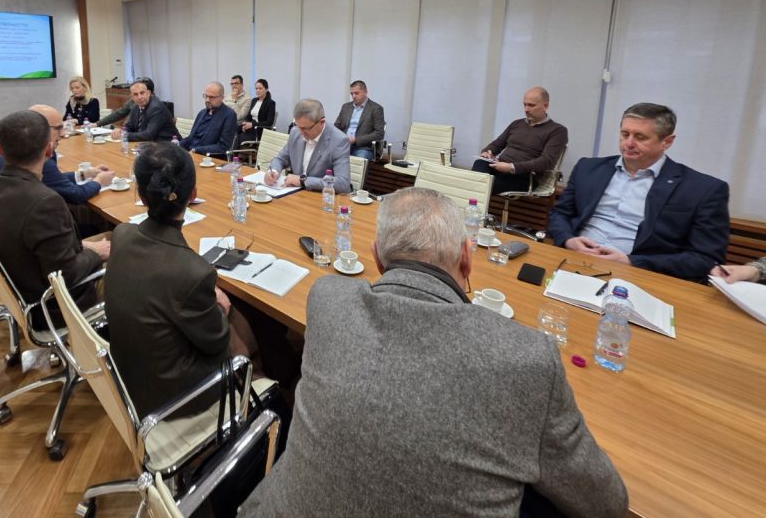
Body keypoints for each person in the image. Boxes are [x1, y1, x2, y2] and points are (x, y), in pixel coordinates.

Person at [240, 187, 628, 518]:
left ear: (377, 257)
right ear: (467, 258)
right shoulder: (528, 356)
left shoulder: (328, 298)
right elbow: (607, 504)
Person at [103, 142, 259, 419]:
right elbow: (216, 344)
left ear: (141, 194)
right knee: (239, 321)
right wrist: (220, 306)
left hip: (128, 376)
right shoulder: (192, 272)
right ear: (193, 195)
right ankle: (262, 390)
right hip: (175, 399)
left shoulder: (121, 234)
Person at [548, 103, 729, 281]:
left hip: (639, 275)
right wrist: (568, 240)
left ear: (667, 142)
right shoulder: (588, 168)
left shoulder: (702, 189)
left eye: (640, 137)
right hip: (573, 259)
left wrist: (631, 261)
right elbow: (560, 213)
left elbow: (705, 259)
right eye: (625, 134)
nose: (629, 143)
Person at [0, 110, 108, 325]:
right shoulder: (45, 202)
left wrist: (83, 247)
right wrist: (96, 253)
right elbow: (66, 275)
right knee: (124, 248)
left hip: (19, 288)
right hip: (51, 307)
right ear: (49, 150)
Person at [0, 104, 115, 212]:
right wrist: (99, 181)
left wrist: (84, 174)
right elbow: (75, 195)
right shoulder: (35, 155)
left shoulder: (12, 146)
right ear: (38, 127)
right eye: (58, 128)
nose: (63, 134)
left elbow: (51, 179)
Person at [472, 87, 569, 194]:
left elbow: (547, 161)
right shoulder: (517, 124)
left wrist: (511, 167)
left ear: (545, 106)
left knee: (482, 185)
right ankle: (475, 195)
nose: (526, 109)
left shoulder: (557, 131)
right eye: (525, 104)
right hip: (500, 167)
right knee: (480, 163)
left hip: (524, 176)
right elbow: (496, 144)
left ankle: (474, 198)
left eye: (531, 105)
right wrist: (487, 152)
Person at [265, 98, 350, 193]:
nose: (301, 132)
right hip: (294, 193)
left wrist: (302, 181)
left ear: (322, 122)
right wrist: (273, 171)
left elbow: (343, 183)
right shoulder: (295, 132)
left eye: (305, 128)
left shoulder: (339, 140)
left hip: (319, 196)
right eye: (298, 126)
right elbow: (280, 158)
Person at [110, 79, 179, 142]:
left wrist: (123, 135)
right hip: (150, 145)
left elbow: (148, 135)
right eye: (135, 94)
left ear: (148, 93)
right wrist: (121, 131)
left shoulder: (157, 108)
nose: (139, 97)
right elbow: (130, 126)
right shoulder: (136, 106)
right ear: (132, 97)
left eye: (142, 93)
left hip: (169, 145)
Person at [179, 81, 238, 155]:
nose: (207, 100)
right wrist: (178, 144)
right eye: (206, 96)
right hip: (190, 153)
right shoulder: (202, 113)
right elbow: (191, 137)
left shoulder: (229, 115)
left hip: (207, 157)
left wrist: (195, 150)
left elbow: (223, 147)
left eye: (211, 97)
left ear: (222, 98)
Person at [333, 80, 385, 159]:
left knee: (358, 161)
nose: (353, 96)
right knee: (329, 156)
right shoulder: (346, 107)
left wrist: (355, 140)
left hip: (363, 147)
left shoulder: (376, 109)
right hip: (344, 145)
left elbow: (379, 134)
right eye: (351, 93)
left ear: (365, 92)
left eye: (356, 93)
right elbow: (336, 127)